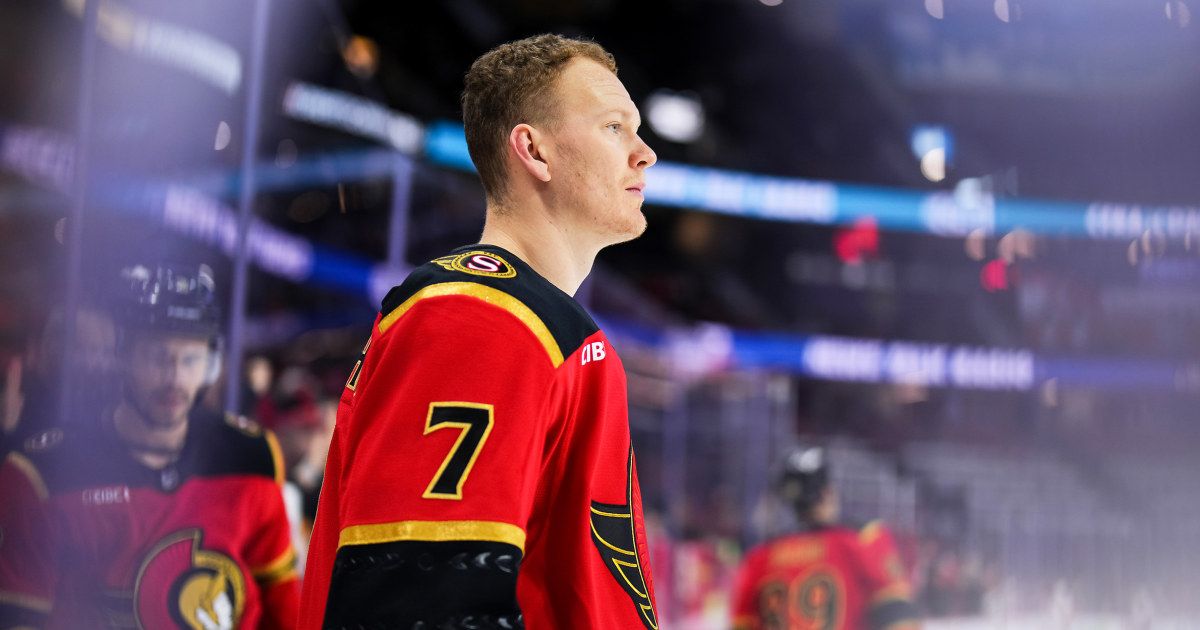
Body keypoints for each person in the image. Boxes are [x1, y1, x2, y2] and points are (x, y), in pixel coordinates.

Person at [299, 33, 659, 629]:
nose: (645, 153)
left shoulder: (534, 323)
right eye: (614, 127)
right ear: (534, 151)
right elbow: (422, 601)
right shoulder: (480, 315)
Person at [0, 263, 299, 629]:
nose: (175, 377)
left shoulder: (251, 456)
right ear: (123, 358)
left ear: (210, 365)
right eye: (157, 356)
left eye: (191, 360)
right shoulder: (46, 474)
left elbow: (282, 600)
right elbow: (21, 619)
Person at [730, 447, 921, 630]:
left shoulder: (760, 557)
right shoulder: (863, 539)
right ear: (827, 491)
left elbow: (742, 624)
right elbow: (898, 615)